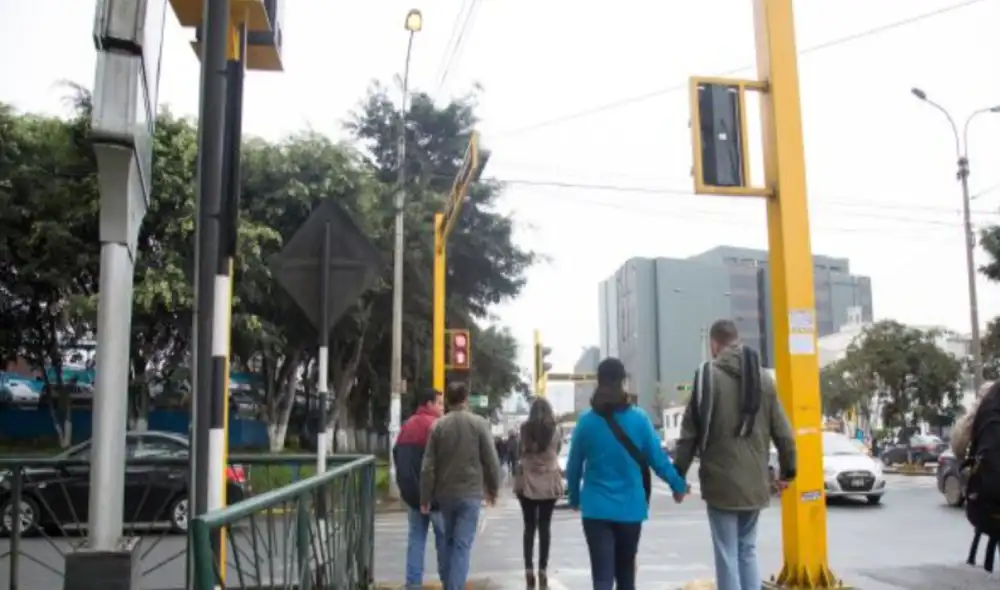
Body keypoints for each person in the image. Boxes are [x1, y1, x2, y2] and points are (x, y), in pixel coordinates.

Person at [673, 319, 797, 590]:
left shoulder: (708, 377)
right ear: (737, 340)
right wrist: (788, 472)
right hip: (754, 483)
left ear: (714, 344)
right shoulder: (764, 379)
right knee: (747, 550)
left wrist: (677, 476)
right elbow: (784, 433)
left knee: (727, 553)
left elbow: (689, 435)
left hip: (720, 483)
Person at [566, 357, 689, 590]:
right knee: (626, 577)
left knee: (602, 578)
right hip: (630, 510)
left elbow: (574, 466)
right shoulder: (639, 419)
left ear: (599, 382)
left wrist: (574, 497)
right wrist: (678, 485)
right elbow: (658, 460)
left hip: (595, 510)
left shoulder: (586, 423)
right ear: (623, 382)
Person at [420, 381, 503, 590]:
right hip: (470, 493)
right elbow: (491, 460)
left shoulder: (438, 426)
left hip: (445, 494)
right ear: (466, 399)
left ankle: (449, 583)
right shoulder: (479, 424)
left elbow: (428, 466)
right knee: (462, 545)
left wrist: (425, 496)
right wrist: (493, 489)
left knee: (448, 542)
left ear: (448, 400)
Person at [392, 388, 445, 589]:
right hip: (436, 496)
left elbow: (397, 455)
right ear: (429, 404)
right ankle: (448, 581)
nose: (443, 408)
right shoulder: (436, 426)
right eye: (439, 403)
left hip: (412, 496)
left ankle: (413, 584)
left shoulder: (407, 425)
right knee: (444, 541)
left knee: (416, 540)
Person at [514, 397, 564, 589]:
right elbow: (557, 450)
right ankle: (542, 569)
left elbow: (520, 452)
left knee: (529, 527)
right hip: (549, 480)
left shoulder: (524, 430)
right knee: (545, 526)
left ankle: (529, 570)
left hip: (527, 480)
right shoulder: (556, 431)